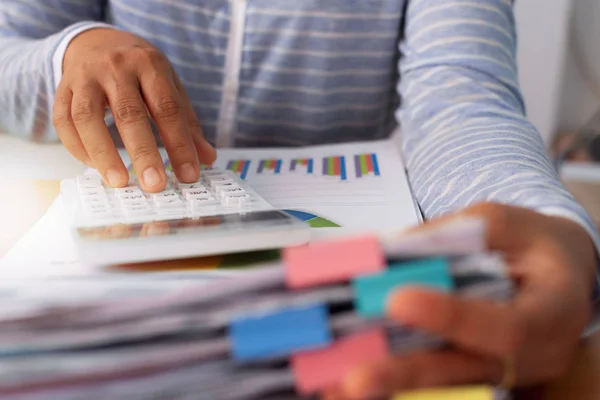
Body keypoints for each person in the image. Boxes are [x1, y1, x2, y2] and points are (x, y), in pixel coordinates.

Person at [1, 1, 599, 398]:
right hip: (104, 243)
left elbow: (461, 97)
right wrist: (68, 53)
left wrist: (551, 225)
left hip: (340, 275)